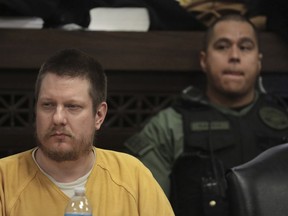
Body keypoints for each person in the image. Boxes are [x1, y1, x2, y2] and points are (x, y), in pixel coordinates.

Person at [124, 14, 288, 215]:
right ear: (204, 60)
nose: (234, 56)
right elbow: (146, 208)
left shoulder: (284, 119)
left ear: (259, 61)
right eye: (222, 46)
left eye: (245, 47)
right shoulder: (168, 126)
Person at [0, 49, 174, 216]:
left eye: (72, 106)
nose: (58, 118)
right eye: (48, 105)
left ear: (99, 115)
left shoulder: (133, 176)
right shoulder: (4, 179)